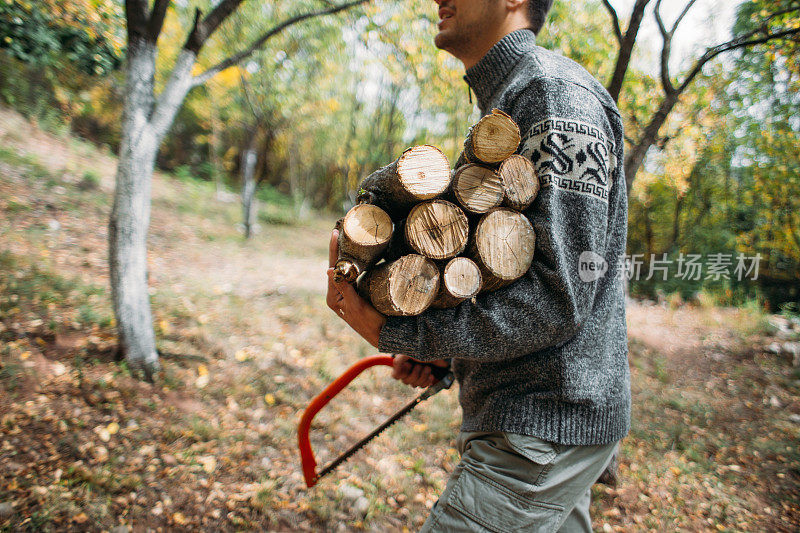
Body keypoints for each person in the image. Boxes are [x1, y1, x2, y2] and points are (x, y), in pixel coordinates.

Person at [326, 0, 630, 530]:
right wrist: (448, 357)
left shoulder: (554, 95)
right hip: (535, 423)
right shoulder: (513, 102)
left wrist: (410, 334)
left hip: (542, 429)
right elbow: (516, 278)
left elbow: (561, 297)